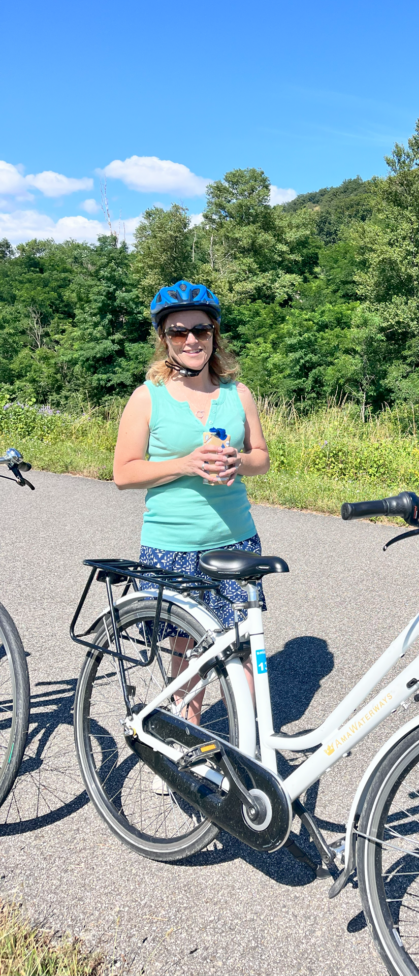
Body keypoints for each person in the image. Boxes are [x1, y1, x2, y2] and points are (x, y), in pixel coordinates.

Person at [113, 280, 270, 735]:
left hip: (237, 538)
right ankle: (186, 737)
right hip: (173, 543)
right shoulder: (148, 396)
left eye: (200, 330)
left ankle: (254, 747)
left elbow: (262, 458)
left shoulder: (237, 394)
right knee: (186, 649)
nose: (191, 340)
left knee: (241, 645)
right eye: (178, 332)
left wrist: (239, 461)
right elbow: (123, 473)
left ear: (214, 333)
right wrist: (184, 464)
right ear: (164, 338)